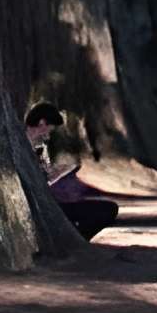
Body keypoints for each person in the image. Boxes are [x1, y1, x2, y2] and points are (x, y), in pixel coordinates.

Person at [26, 101, 119, 240]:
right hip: (39, 208)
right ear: (42, 123)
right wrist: (54, 174)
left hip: (52, 203)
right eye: (50, 128)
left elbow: (44, 180)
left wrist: (58, 172)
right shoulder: (21, 144)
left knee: (108, 208)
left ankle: (77, 238)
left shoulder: (41, 146)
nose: (50, 134)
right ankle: (69, 238)